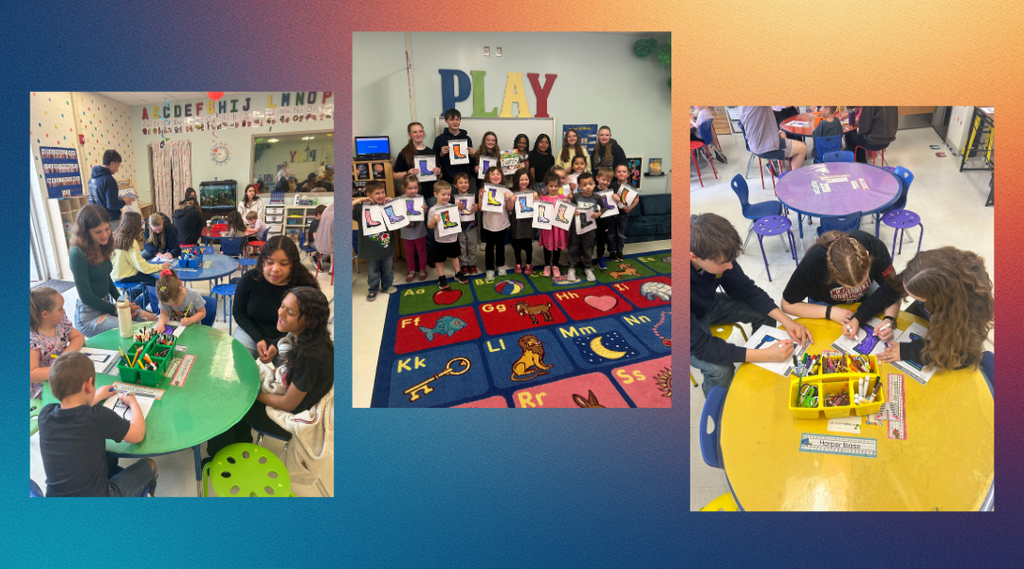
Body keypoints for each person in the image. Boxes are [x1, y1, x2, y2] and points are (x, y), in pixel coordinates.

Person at [690, 213, 812, 396]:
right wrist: (765, 355)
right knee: (722, 371)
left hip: (707, 305)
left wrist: (787, 321)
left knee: (764, 313)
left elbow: (747, 290)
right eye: (723, 263)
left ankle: (761, 357)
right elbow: (700, 345)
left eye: (731, 260)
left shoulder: (717, 255)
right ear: (693, 256)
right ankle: (717, 406)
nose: (730, 267)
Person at [206, 287, 333, 458]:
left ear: (309, 321)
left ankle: (222, 458)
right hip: (295, 395)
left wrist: (251, 396)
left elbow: (289, 404)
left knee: (226, 403)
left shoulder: (310, 356)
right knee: (235, 385)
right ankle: (241, 437)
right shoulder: (309, 336)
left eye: (290, 312)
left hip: (294, 413)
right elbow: (284, 341)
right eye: (282, 306)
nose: (280, 313)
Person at [38, 351, 158, 497]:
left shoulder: (45, 414)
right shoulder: (97, 416)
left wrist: (98, 396)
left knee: (107, 459)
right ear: (89, 385)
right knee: (150, 465)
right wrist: (133, 402)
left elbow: (74, 412)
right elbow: (138, 434)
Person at [877, 247, 994, 371]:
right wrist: (887, 318)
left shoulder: (969, 310)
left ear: (938, 298)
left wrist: (909, 351)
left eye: (917, 297)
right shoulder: (925, 271)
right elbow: (891, 288)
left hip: (952, 330)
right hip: (929, 316)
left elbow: (962, 356)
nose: (907, 296)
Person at [781, 229, 903, 341]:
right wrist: (829, 312)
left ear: (867, 254)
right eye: (849, 287)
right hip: (824, 304)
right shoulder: (812, 264)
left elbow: (894, 289)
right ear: (831, 271)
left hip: (868, 298)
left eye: (861, 283)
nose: (855, 291)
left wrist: (889, 319)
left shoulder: (875, 247)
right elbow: (786, 304)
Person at [69, 206, 155, 338]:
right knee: (133, 330)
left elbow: (107, 279)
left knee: (151, 319)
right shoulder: (78, 253)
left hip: (107, 305)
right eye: (98, 232)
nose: (104, 235)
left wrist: (124, 302)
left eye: (107, 229)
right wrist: (117, 308)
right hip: (88, 316)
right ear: (85, 232)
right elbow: (86, 296)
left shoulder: (102, 244)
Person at [233, 235, 320, 363]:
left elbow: (304, 323)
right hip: (251, 330)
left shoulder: (303, 287)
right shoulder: (249, 279)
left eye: (284, 264)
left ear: (293, 265)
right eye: (270, 262)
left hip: (289, 334)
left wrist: (277, 343)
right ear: (262, 261)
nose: (275, 269)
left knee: (290, 374)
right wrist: (258, 338)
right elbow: (239, 312)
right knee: (237, 363)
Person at [30, 287, 85, 397]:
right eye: (60, 308)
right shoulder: (34, 339)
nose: (64, 310)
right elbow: (32, 373)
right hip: (45, 385)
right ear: (45, 314)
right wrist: (59, 368)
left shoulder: (60, 323)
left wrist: (64, 357)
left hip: (64, 371)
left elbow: (78, 337)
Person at [110, 212, 170, 304]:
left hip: (115, 274)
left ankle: (132, 293)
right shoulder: (131, 242)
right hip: (126, 275)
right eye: (140, 222)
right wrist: (161, 266)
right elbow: (143, 267)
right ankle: (137, 304)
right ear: (136, 225)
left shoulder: (115, 235)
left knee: (147, 279)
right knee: (157, 281)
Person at [352, 181, 396, 301]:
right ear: (369, 195)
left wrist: (392, 202)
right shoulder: (361, 209)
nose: (381, 195)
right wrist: (361, 199)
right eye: (377, 193)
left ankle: (387, 286)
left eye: (383, 192)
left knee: (387, 269)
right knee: (373, 272)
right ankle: (373, 289)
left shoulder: (387, 206)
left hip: (386, 246)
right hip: (370, 249)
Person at [739, 106, 807, 173]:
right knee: (802, 148)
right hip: (765, 146)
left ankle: (782, 172)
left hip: (754, 144)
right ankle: (792, 181)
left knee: (782, 135)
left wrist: (779, 132)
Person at [426, 181, 467, 289]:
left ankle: (458, 273)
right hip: (440, 240)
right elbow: (429, 226)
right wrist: (434, 220)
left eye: (448, 194)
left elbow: (457, 220)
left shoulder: (452, 207)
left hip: (452, 239)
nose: (446, 197)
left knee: (455, 257)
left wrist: (458, 208)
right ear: (435, 194)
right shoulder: (432, 210)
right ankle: (441, 277)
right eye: (443, 194)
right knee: (439, 260)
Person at [477, 167, 515, 282]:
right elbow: (481, 209)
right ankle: (489, 268)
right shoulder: (484, 190)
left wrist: (508, 199)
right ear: (488, 176)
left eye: (498, 174)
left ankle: (500, 265)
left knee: (500, 246)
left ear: (502, 176)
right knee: (489, 247)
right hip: (488, 225)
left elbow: (510, 208)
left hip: (502, 224)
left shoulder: (506, 191)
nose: (496, 176)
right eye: (492, 174)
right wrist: (480, 196)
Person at [566, 172, 605, 282]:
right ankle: (572, 267)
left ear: (594, 184)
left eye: (590, 184)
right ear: (579, 186)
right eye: (584, 185)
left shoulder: (597, 197)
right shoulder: (576, 196)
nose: (588, 186)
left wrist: (599, 213)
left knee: (588, 248)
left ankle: (588, 267)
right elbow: (571, 207)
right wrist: (573, 211)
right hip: (576, 227)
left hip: (590, 228)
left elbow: (604, 208)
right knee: (573, 247)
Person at [394, 121, 442, 202]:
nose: (418, 134)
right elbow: (395, 175)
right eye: (414, 132)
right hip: (413, 196)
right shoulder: (404, 153)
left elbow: (439, 176)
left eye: (420, 131)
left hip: (431, 194)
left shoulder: (431, 152)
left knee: (433, 215)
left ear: (423, 132)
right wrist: (407, 173)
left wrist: (439, 173)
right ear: (409, 134)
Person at [87, 150, 135, 230]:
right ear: (112, 163)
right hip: (110, 221)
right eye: (117, 166)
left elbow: (100, 199)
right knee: (117, 241)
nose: (117, 169)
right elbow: (111, 205)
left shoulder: (92, 179)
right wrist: (124, 202)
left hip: (96, 220)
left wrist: (116, 199)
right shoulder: (109, 180)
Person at [432, 108, 475, 185]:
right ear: (446, 120)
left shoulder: (467, 139)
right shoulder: (440, 139)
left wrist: (472, 155)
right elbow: (434, 162)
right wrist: (441, 154)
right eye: (452, 120)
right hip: (447, 179)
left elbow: (470, 163)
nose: (455, 122)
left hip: (464, 179)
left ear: (460, 120)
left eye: (457, 119)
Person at [400, 175, 429, 282]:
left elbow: (424, 212)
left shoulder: (420, 198)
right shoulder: (400, 200)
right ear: (404, 187)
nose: (413, 191)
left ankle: (422, 270)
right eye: (410, 188)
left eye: (415, 188)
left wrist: (425, 210)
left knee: (422, 251)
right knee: (409, 252)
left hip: (419, 231)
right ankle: (411, 270)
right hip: (406, 233)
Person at [538, 172, 568, 277]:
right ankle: (547, 265)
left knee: (557, 246)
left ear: (559, 186)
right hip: (548, 228)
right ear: (546, 186)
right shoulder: (544, 199)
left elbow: (566, 212)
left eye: (556, 186)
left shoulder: (562, 197)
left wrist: (566, 202)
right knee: (547, 246)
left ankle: (555, 265)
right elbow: (541, 214)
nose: (553, 188)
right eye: (551, 186)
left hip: (558, 228)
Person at [509, 168, 537, 275]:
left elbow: (539, 206)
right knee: (517, 244)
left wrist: (537, 198)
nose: (524, 182)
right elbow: (510, 208)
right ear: (517, 180)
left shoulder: (533, 192)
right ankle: (518, 262)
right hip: (517, 222)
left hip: (529, 222)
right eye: (521, 179)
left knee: (528, 243)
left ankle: (529, 263)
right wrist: (512, 199)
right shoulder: (512, 192)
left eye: (526, 179)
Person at [607, 164, 638, 261]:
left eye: (624, 172)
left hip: (624, 214)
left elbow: (636, 199)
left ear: (628, 174)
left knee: (621, 234)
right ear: (615, 174)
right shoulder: (611, 185)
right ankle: (612, 252)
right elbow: (606, 198)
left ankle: (619, 251)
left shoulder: (631, 186)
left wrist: (630, 208)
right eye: (619, 172)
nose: (621, 173)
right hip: (612, 214)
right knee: (611, 234)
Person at [452, 172, 479, 277]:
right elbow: (448, 210)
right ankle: (463, 265)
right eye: (460, 183)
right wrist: (455, 206)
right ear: (455, 185)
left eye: (466, 182)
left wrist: (477, 206)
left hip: (472, 225)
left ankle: (472, 264)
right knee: (461, 246)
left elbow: (479, 206)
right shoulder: (452, 198)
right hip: (458, 226)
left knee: (472, 245)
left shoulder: (473, 195)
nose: (463, 184)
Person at [593, 167, 618, 266]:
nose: (605, 182)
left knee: (601, 241)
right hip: (593, 219)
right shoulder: (593, 189)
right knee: (590, 241)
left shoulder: (611, 192)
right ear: (597, 178)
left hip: (605, 221)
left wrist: (617, 199)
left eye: (608, 180)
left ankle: (600, 258)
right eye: (603, 179)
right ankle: (587, 259)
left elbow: (615, 206)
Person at [314, 200, 334, 272]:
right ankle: (316, 259)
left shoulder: (318, 221)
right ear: (319, 214)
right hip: (316, 243)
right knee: (330, 249)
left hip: (318, 242)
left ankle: (331, 266)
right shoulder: (317, 223)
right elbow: (315, 236)